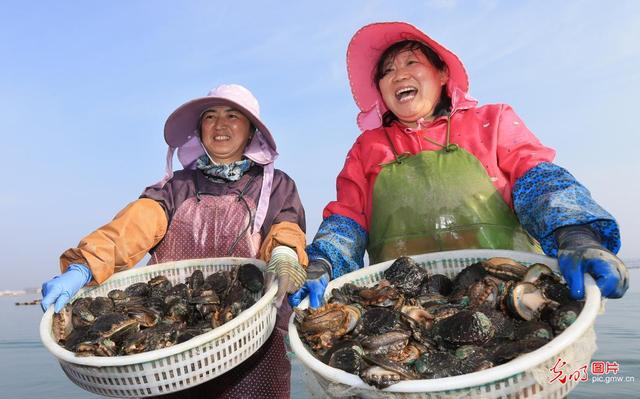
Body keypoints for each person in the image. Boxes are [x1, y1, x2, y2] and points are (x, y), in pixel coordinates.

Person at [290, 21, 628, 309]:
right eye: (387, 71)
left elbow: (540, 183)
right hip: (405, 307)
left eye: (411, 63)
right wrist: (322, 263)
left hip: (510, 293)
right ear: (380, 90)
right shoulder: (367, 148)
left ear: (441, 74)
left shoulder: (492, 122)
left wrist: (576, 234)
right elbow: (347, 222)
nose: (398, 75)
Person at [41, 84, 307, 398]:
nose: (220, 125)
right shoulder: (174, 188)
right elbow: (133, 227)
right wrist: (84, 266)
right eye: (210, 116)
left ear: (251, 131)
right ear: (200, 129)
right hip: (172, 354)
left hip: (250, 342)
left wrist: (287, 254)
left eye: (233, 115)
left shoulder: (276, 186)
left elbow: (286, 230)